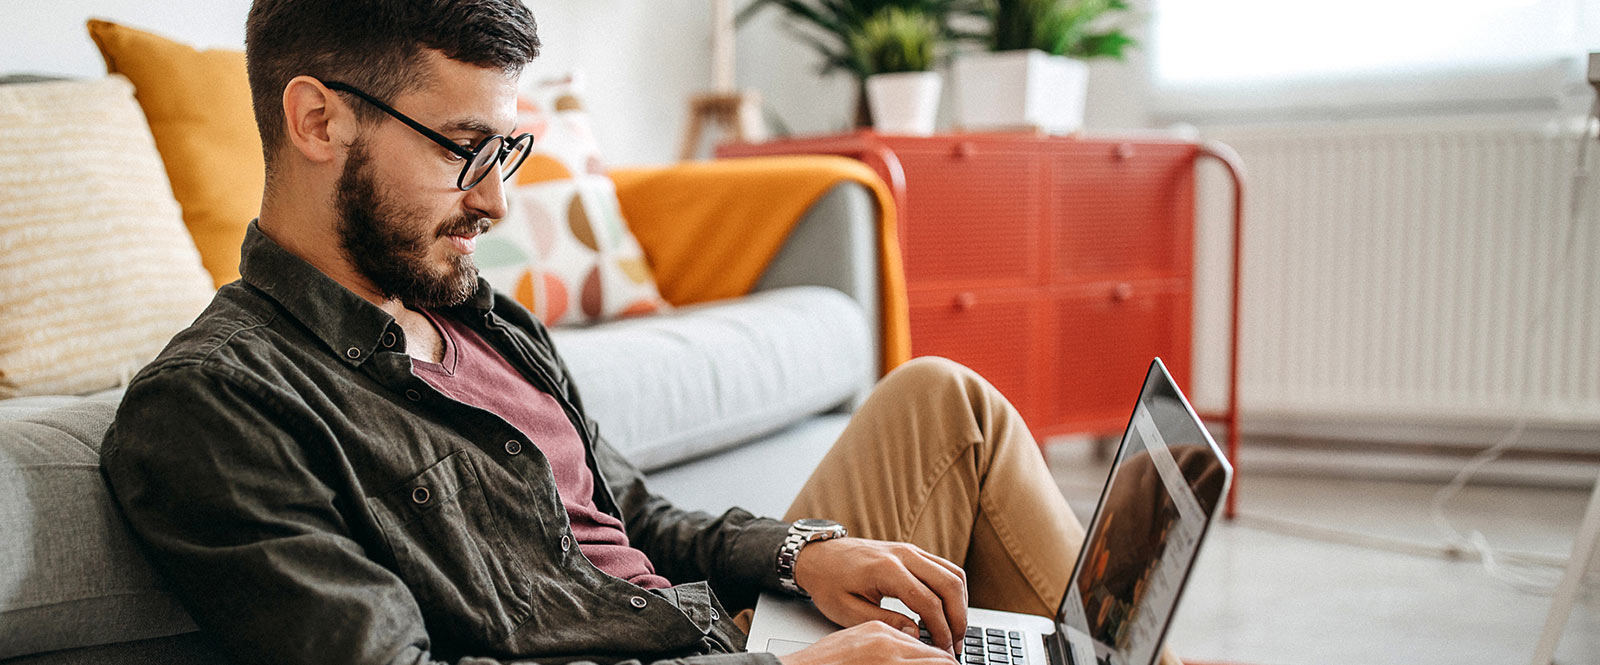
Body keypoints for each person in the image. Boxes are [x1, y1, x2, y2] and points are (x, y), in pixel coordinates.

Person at [99, 2, 1153, 665]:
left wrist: (802, 553)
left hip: (713, 627)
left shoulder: (474, 310)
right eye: (466, 148)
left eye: (504, 152)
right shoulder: (219, 403)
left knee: (942, 399)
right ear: (318, 121)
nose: (497, 207)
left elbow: (629, 511)